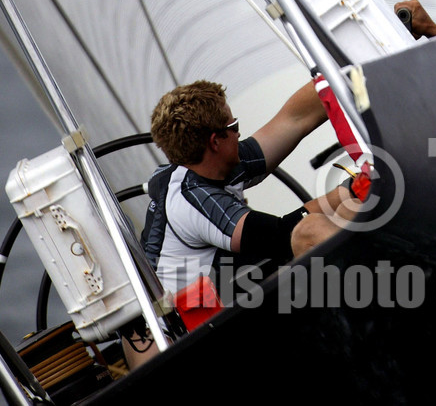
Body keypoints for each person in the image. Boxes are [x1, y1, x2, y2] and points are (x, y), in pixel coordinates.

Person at [140, 80, 359, 297]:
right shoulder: (191, 198)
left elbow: (295, 119)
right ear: (215, 142)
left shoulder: (206, 164)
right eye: (233, 126)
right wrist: (351, 189)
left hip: (230, 286)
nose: (239, 134)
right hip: (209, 314)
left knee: (348, 210)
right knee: (314, 227)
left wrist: (341, 77)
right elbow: (282, 236)